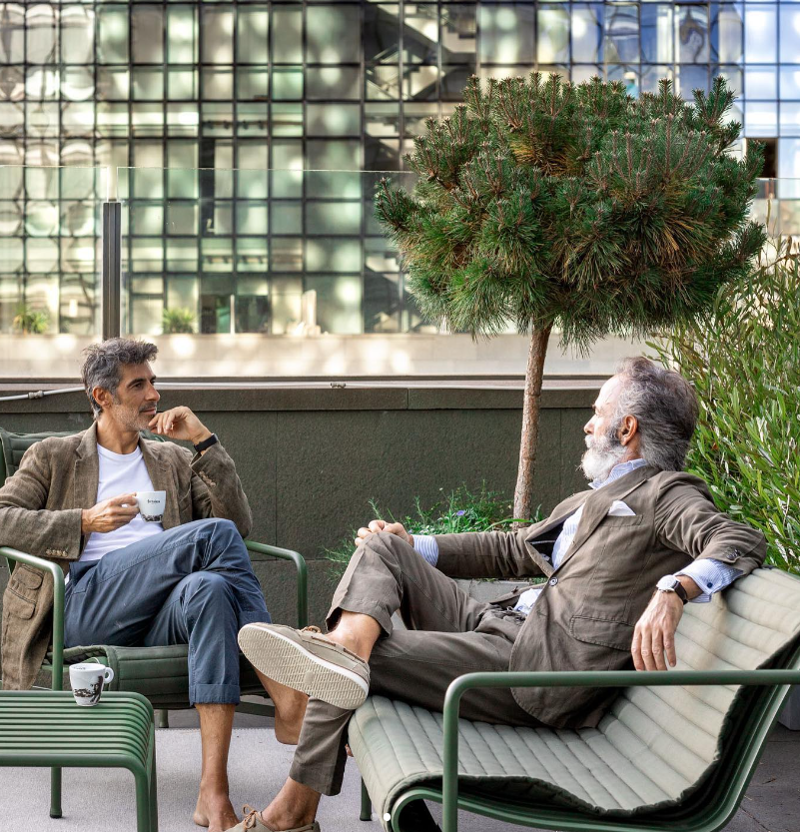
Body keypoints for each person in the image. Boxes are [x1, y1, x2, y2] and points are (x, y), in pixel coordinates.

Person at [227, 357, 766, 832]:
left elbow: (737, 539)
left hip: (536, 669)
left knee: (367, 663)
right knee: (382, 550)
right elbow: (514, 549)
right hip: (503, 621)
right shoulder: (592, 498)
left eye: (597, 412)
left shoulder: (664, 492)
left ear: (627, 429)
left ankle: (290, 814)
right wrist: (416, 545)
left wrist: (674, 591)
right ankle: (344, 648)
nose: (587, 423)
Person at [0, 338, 304, 832]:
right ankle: (283, 689)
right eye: (137, 385)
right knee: (213, 541)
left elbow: (237, 523)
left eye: (153, 382)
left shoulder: (171, 461)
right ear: (102, 396)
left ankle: (213, 793)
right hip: (85, 605)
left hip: (162, 611)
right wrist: (81, 521)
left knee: (211, 588)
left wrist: (204, 443)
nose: (153, 395)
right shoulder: (54, 455)